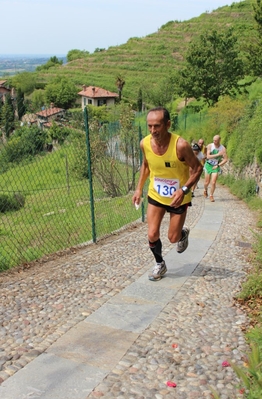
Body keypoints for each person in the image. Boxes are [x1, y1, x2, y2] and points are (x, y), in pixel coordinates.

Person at [132, 107, 203, 281]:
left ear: (168, 124)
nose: (153, 131)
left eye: (157, 126)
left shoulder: (181, 145)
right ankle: (160, 264)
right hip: (156, 195)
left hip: (179, 197)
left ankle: (182, 234)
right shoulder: (145, 143)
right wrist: (139, 188)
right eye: (150, 126)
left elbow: (197, 168)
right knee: (152, 233)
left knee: (172, 238)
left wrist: (184, 189)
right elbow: (146, 165)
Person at [203, 135, 228, 202]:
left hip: (215, 166)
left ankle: (211, 195)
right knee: (206, 182)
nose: (214, 141)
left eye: (216, 140)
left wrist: (218, 165)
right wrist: (218, 154)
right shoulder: (210, 146)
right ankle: (205, 190)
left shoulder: (223, 148)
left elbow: (225, 159)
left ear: (219, 140)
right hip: (208, 165)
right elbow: (208, 156)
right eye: (213, 140)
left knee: (213, 182)